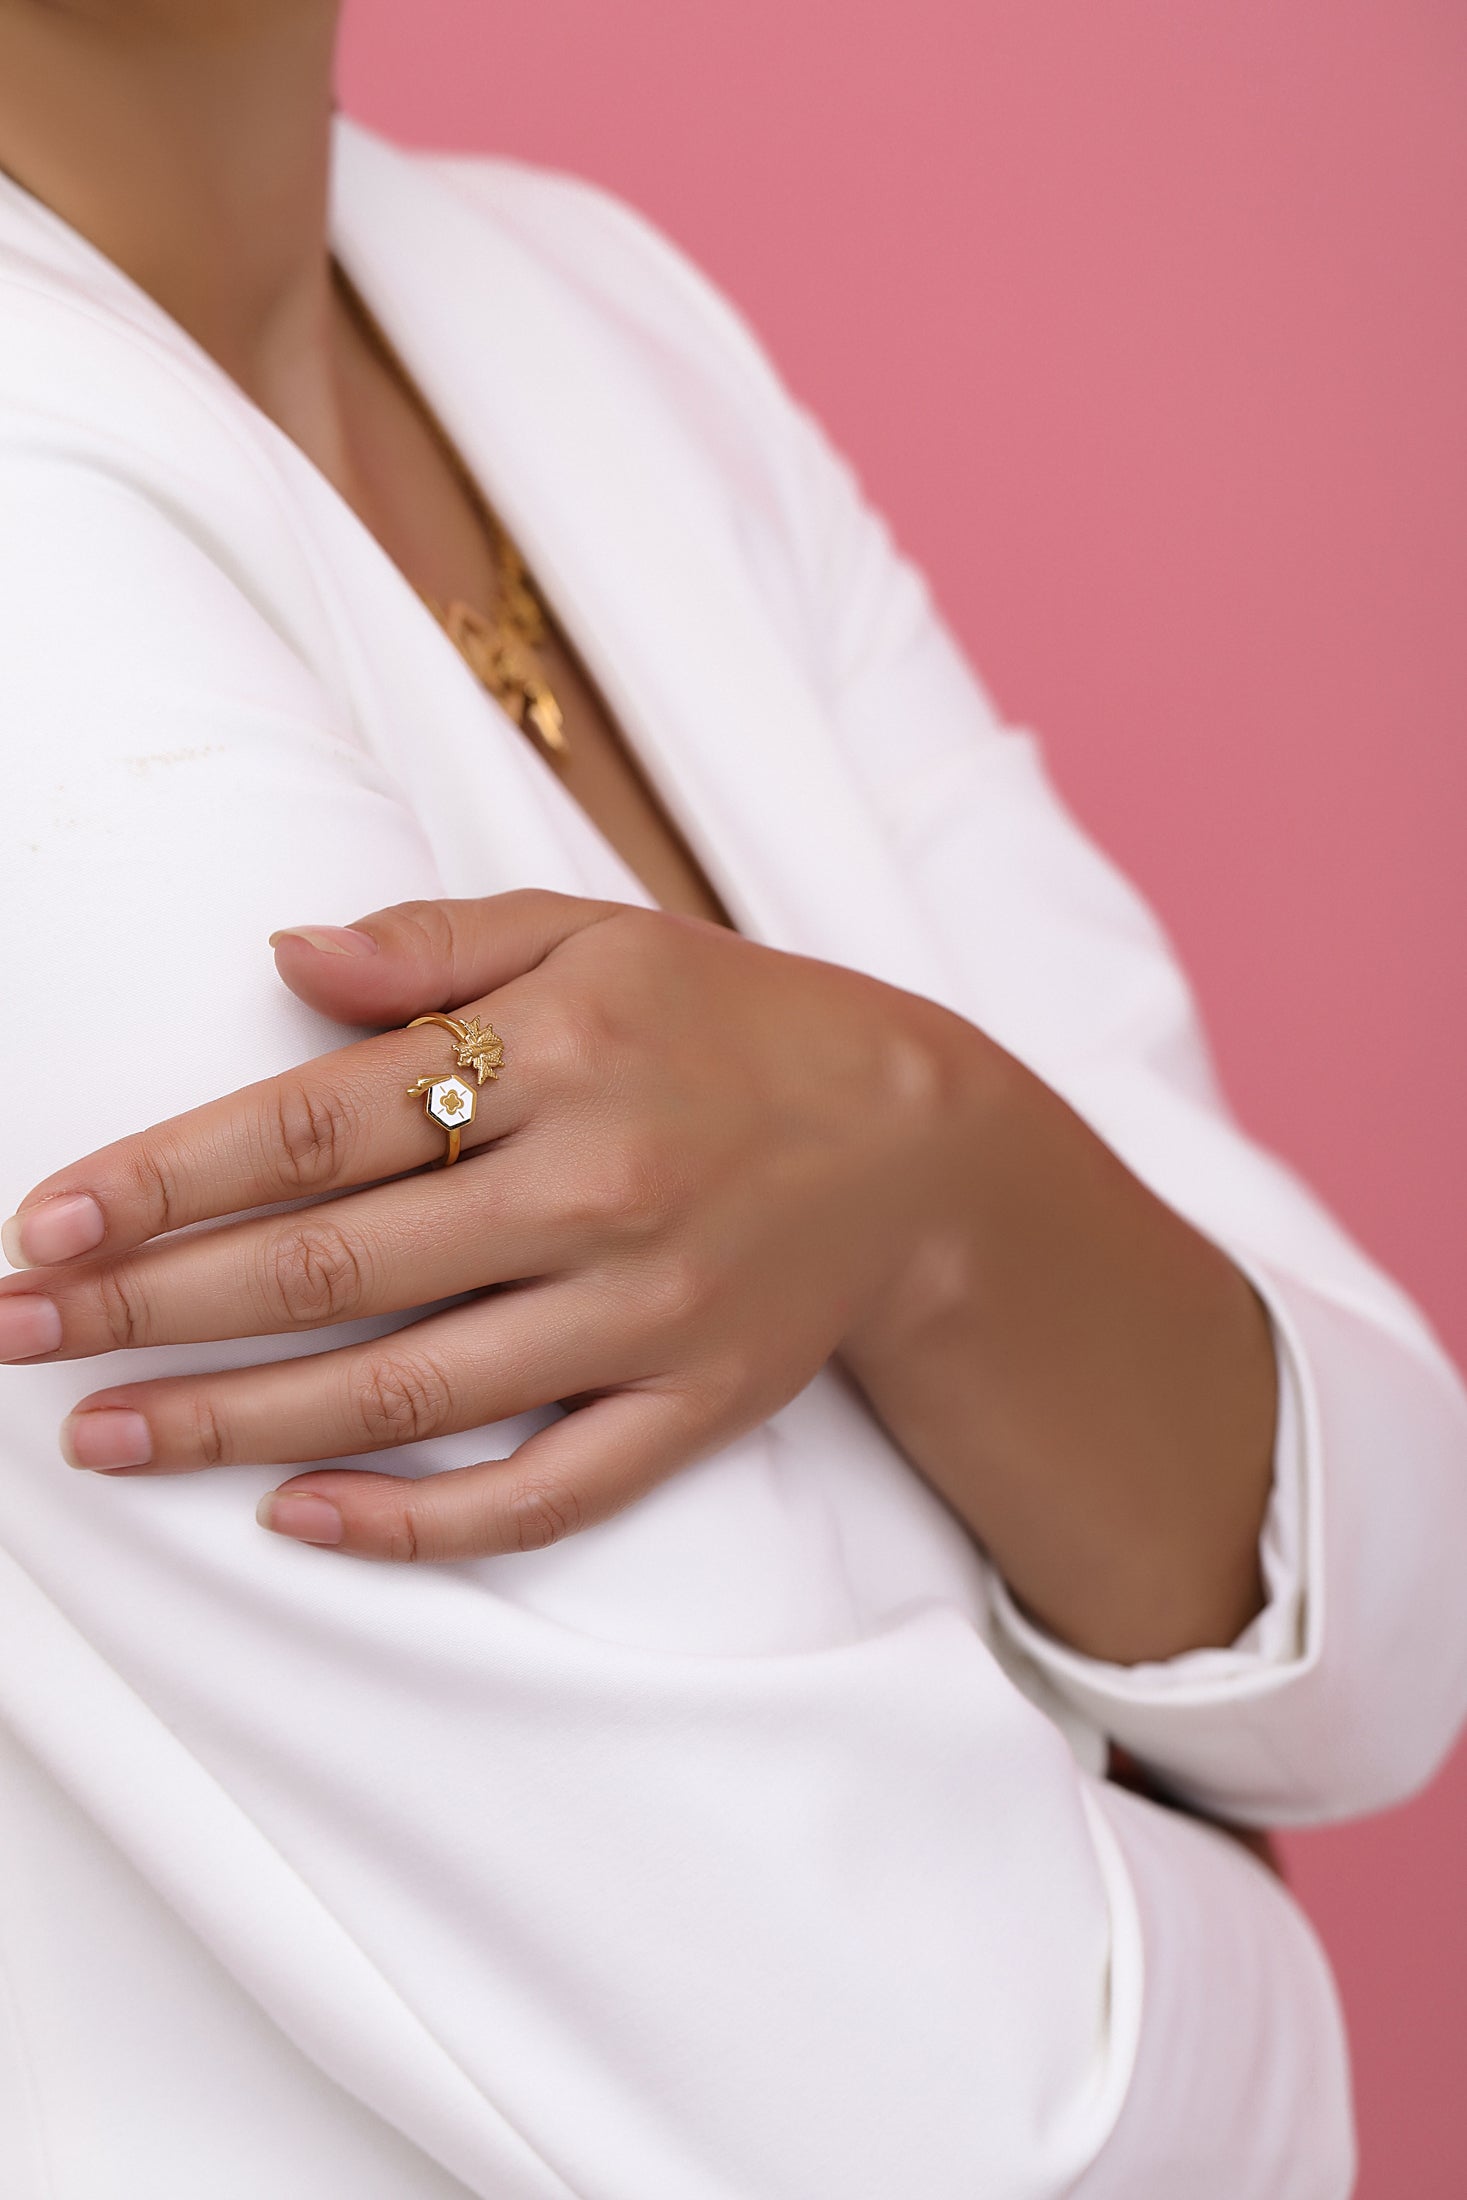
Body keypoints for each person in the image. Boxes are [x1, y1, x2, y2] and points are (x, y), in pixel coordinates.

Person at [0, 5, 1463, 2194]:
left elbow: (1375, 1603)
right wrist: (1239, 1913)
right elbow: (966, 2115)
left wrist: (916, 1158)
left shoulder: (570, 314)